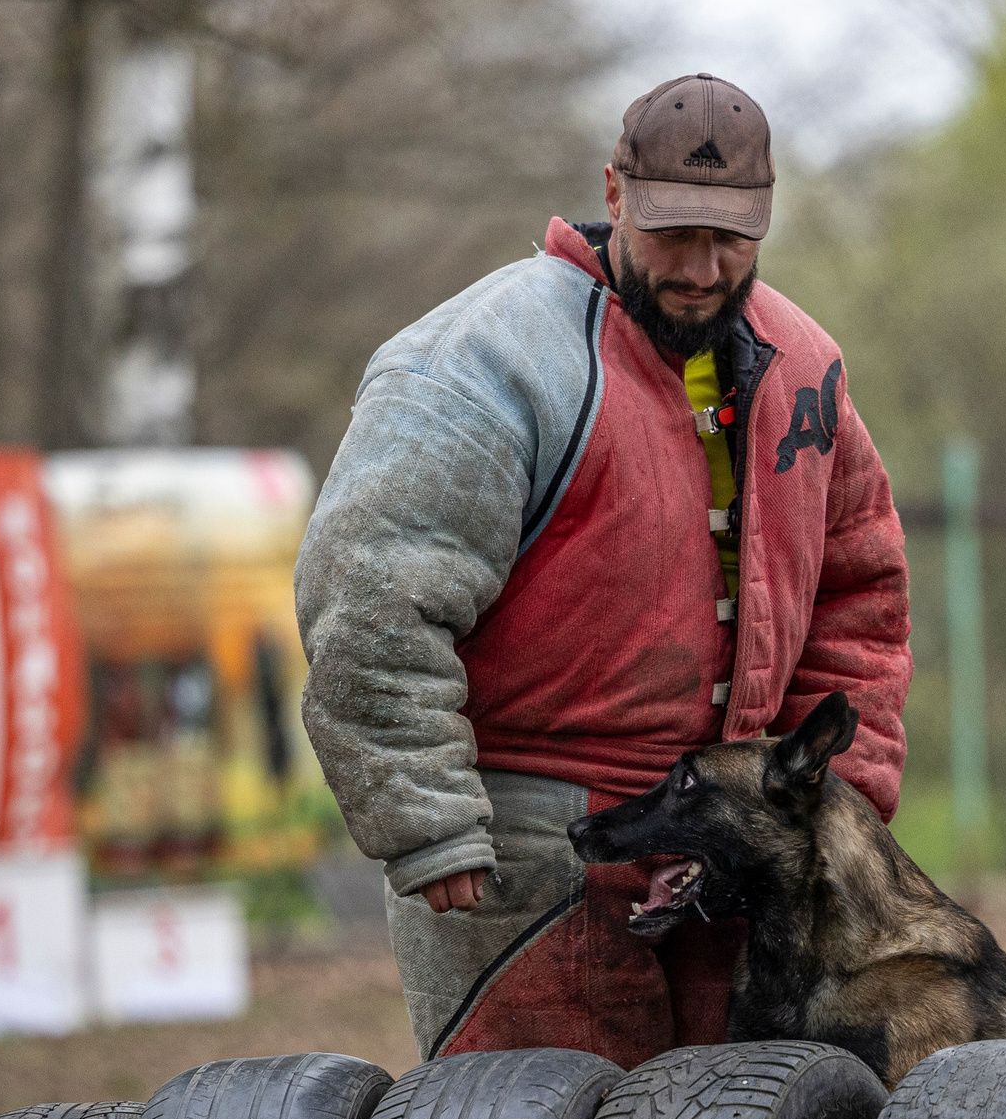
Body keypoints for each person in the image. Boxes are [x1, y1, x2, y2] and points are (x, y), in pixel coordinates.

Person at [295, 73, 911, 1066]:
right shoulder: (481, 362)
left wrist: (832, 799)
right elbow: (371, 599)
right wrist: (427, 820)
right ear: (615, 193)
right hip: (530, 855)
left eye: (731, 239)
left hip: (736, 852)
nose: (703, 269)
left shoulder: (805, 367)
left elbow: (860, 594)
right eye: (674, 234)